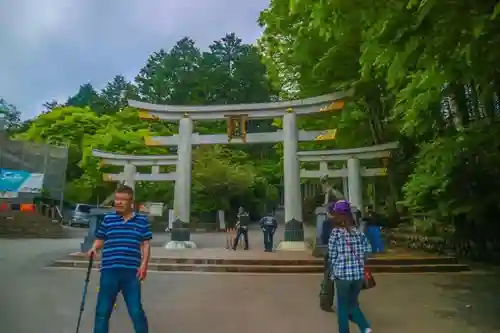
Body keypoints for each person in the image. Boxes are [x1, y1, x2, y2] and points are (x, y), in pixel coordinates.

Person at [87, 185, 152, 333]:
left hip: (131, 272)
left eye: (123, 200)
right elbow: (100, 238)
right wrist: (94, 248)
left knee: (136, 310)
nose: (118, 203)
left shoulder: (141, 220)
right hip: (109, 270)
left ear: (131, 202)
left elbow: (145, 244)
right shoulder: (109, 219)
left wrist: (144, 265)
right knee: (102, 311)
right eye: (116, 199)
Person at [328, 200, 372, 333]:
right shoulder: (358, 232)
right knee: (352, 305)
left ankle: (345, 331)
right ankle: (365, 328)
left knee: (342, 306)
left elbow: (332, 255)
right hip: (358, 275)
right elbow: (367, 251)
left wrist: (332, 271)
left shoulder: (336, 233)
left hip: (342, 276)